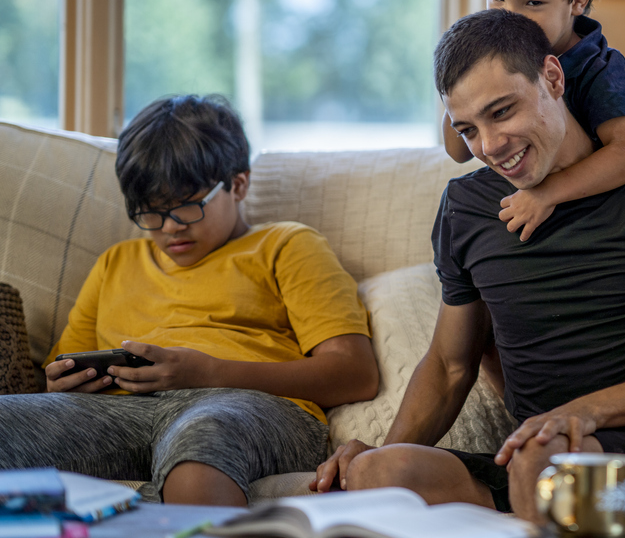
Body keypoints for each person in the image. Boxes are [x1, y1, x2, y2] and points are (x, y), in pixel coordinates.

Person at [313, 9, 625, 520]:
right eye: (469, 129)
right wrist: (381, 452)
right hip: (529, 453)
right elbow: (450, 366)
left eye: (503, 111)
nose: (490, 147)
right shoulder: (466, 208)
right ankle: (526, 524)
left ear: (553, 78)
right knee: (378, 476)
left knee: (545, 465)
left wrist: (579, 414)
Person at [0, 95, 378, 506]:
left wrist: (209, 372)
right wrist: (60, 383)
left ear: (238, 184)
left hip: (243, 407)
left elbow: (354, 372)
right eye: (151, 214)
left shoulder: (286, 245)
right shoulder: (116, 262)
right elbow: (62, 373)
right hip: (115, 414)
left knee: (205, 438)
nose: (169, 229)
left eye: (186, 208)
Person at [441, 0, 625, 242]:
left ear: (578, 0)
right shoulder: (489, 61)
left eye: (533, 2)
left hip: (590, 214)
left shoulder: (597, 65)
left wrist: (546, 193)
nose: (509, 16)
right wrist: (461, 69)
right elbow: (459, 152)